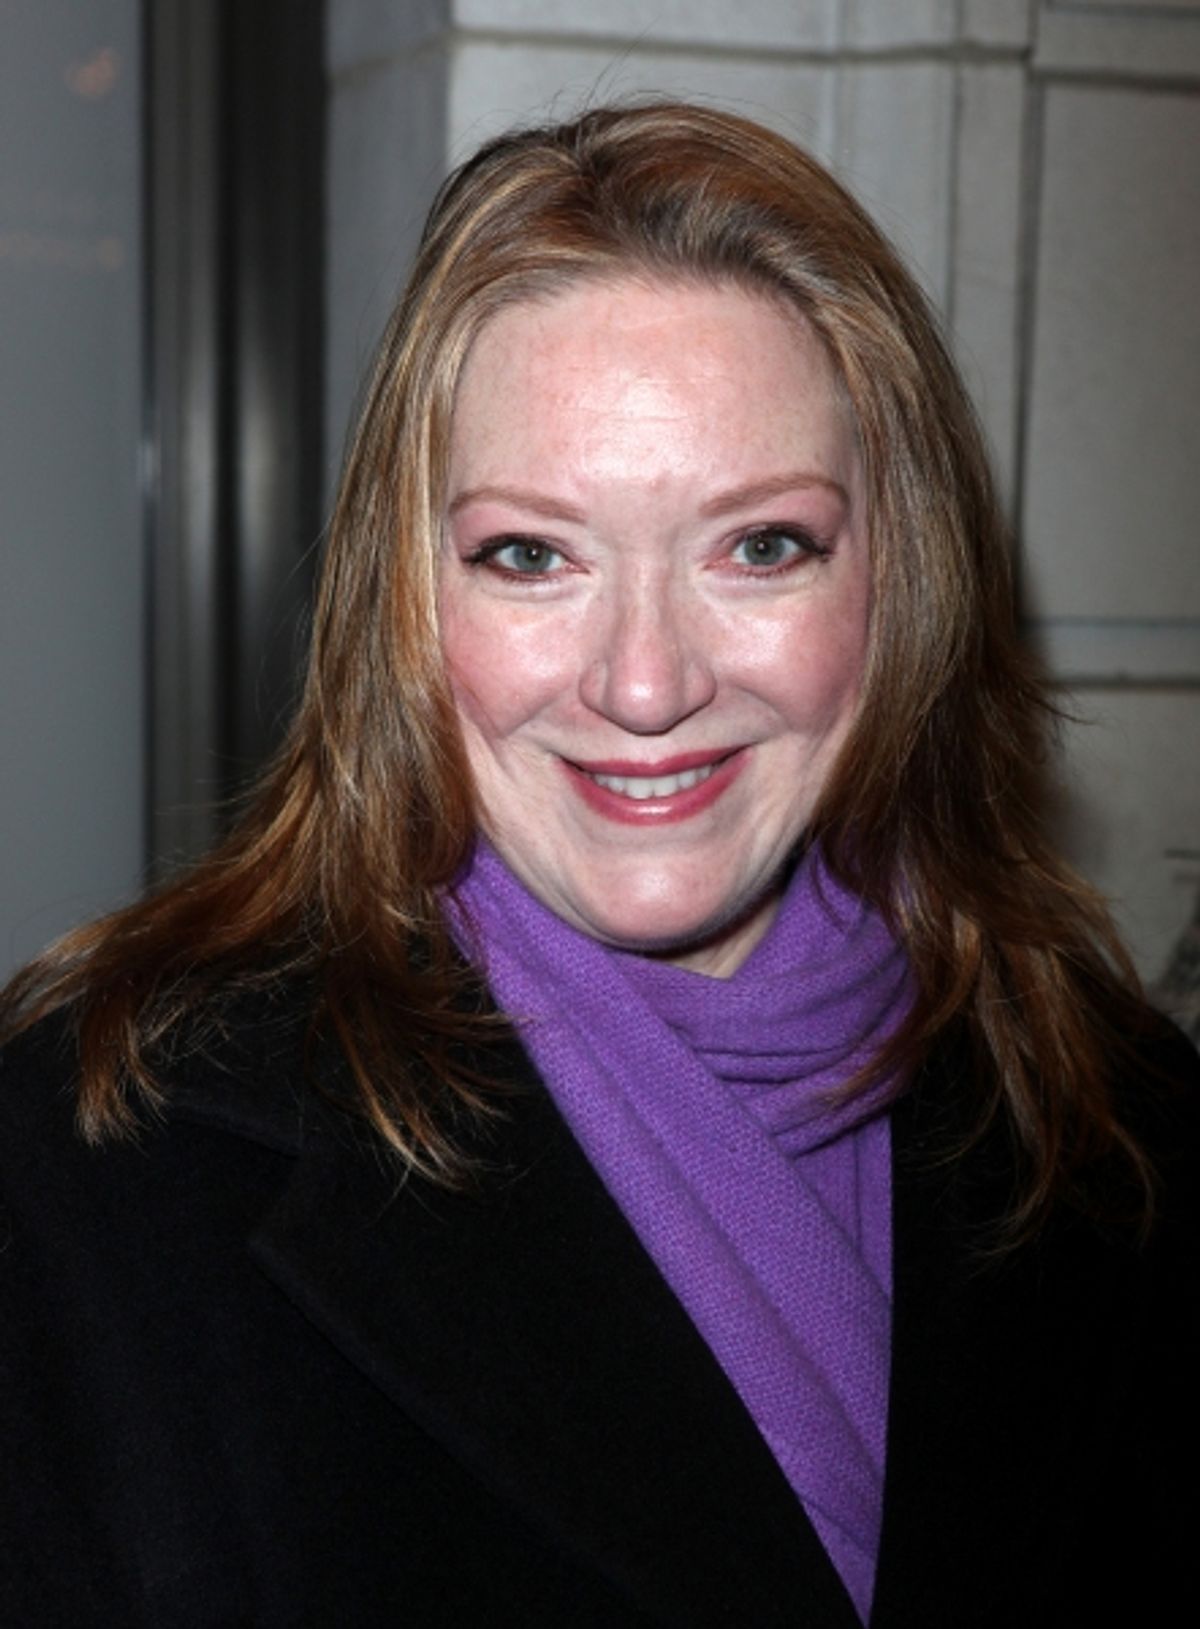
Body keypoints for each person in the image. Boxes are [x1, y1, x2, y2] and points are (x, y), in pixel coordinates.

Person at [0, 101, 1195, 1628]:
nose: (645, 683)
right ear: (406, 599)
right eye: (531, 553)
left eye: (760, 545)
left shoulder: (1119, 1116)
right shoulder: (98, 1164)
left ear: (901, 576)